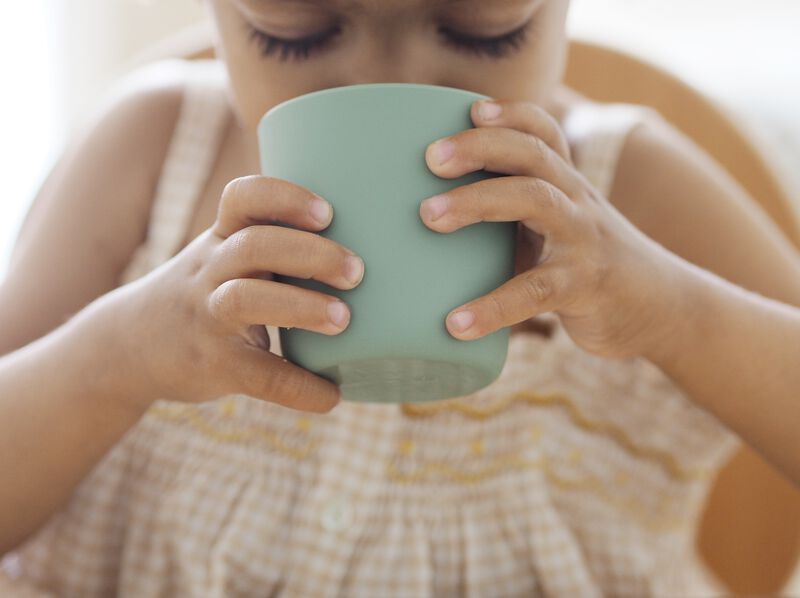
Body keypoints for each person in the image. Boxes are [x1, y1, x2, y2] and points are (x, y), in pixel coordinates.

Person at [1, 0, 799, 595]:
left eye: (484, 31)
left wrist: (677, 311)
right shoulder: (151, 155)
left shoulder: (634, 192)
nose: (387, 82)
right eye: (294, 31)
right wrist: (117, 357)